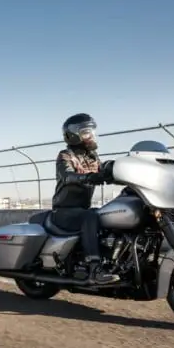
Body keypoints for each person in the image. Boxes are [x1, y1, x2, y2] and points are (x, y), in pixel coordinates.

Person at [51, 113, 119, 284]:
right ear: (74, 135)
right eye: (87, 132)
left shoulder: (92, 157)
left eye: (92, 132)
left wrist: (119, 170)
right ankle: (94, 268)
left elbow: (105, 170)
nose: (92, 136)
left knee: (108, 215)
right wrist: (88, 177)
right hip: (64, 210)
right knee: (91, 216)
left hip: (82, 209)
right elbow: (67, 176)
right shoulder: (65, 155)